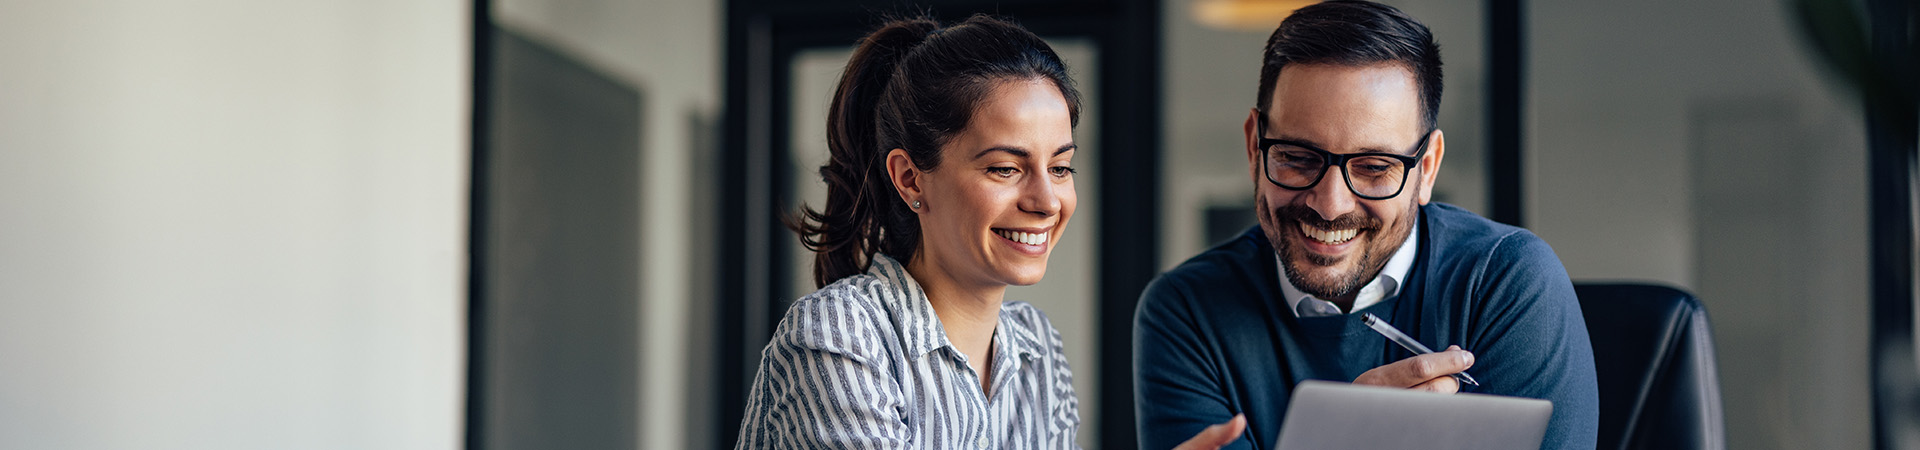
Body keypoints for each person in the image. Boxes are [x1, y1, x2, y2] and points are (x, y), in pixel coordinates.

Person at [1133, 2, 1599, 450]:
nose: (1331, 205)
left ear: (1427, 169)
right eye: (1297, 158)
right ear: (1255, 148)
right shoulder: (1186, 311)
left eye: (1375, 167)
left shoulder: (1507, 280)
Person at [732, 14, 1086, 448]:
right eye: (1005, 169)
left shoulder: (1038, 345)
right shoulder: (840, 335)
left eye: (1060, 168)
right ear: (910, 178)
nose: (1048, 201)